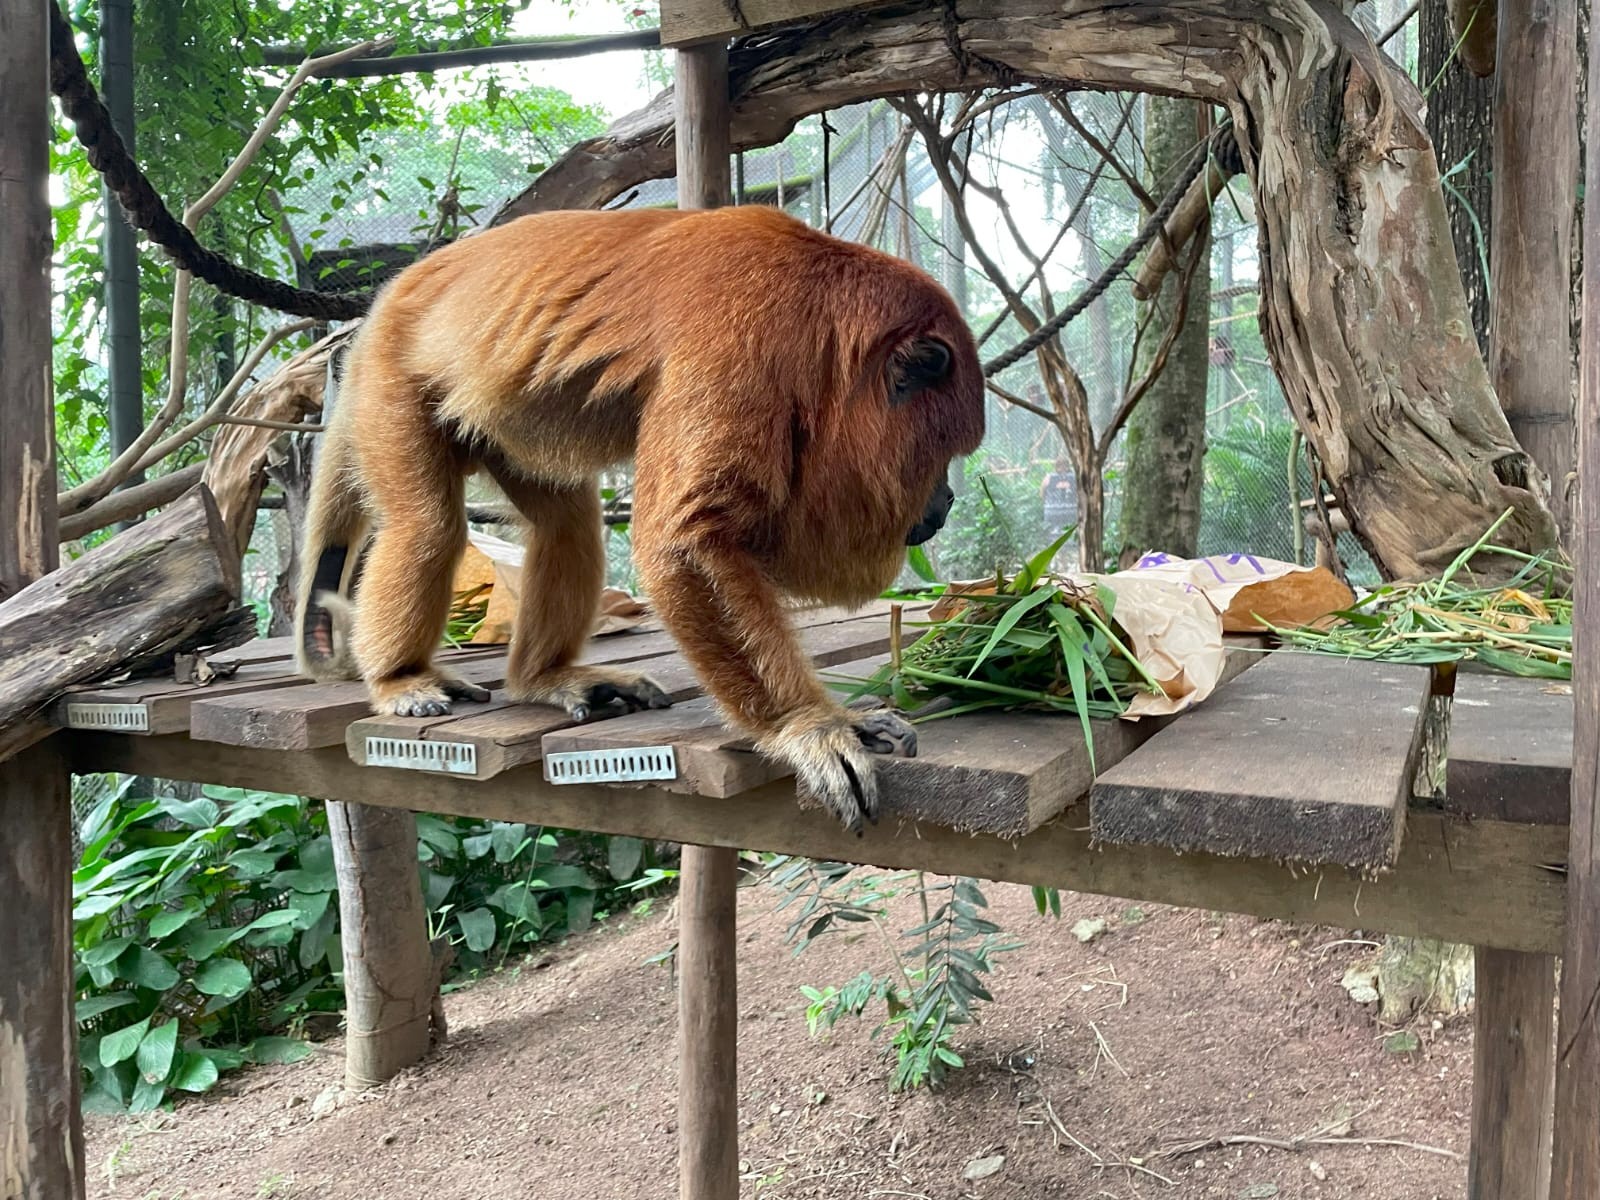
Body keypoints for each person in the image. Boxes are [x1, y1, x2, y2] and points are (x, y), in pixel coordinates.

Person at [1040, 456, 1079, 567]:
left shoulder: (1049, 477)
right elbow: (1078, 494)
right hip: (1067, 512)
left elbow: (1042, 493)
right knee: (1065, 535)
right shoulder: (1073, 478)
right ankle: (1063, 561)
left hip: (1054, 512)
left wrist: (1049, 504)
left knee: (1056, 535)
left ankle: (1059, 561)